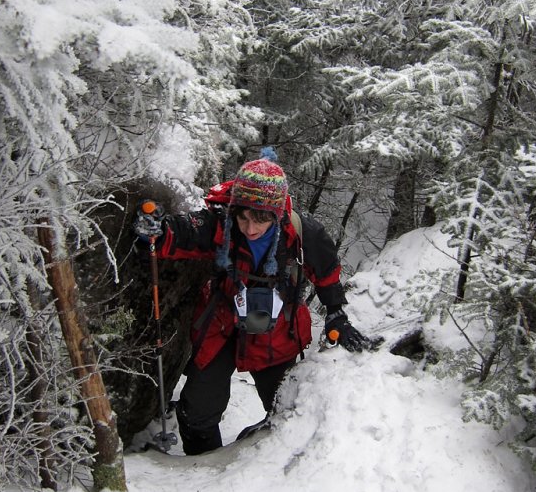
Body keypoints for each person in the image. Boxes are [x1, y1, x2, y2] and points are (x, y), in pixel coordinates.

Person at [134, 147, 372, 455]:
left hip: (278, 332)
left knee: (286, 411)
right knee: (196, 412)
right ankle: (204, 468)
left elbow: (327, 274)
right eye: (243, 217)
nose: (250, 228)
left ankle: (265, 471)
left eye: (260, 220)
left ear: (277, 213)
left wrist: (336, 313)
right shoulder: (223, 225)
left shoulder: (303, 234)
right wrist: (154, 231)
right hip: (223, 325)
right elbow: (183, 234)